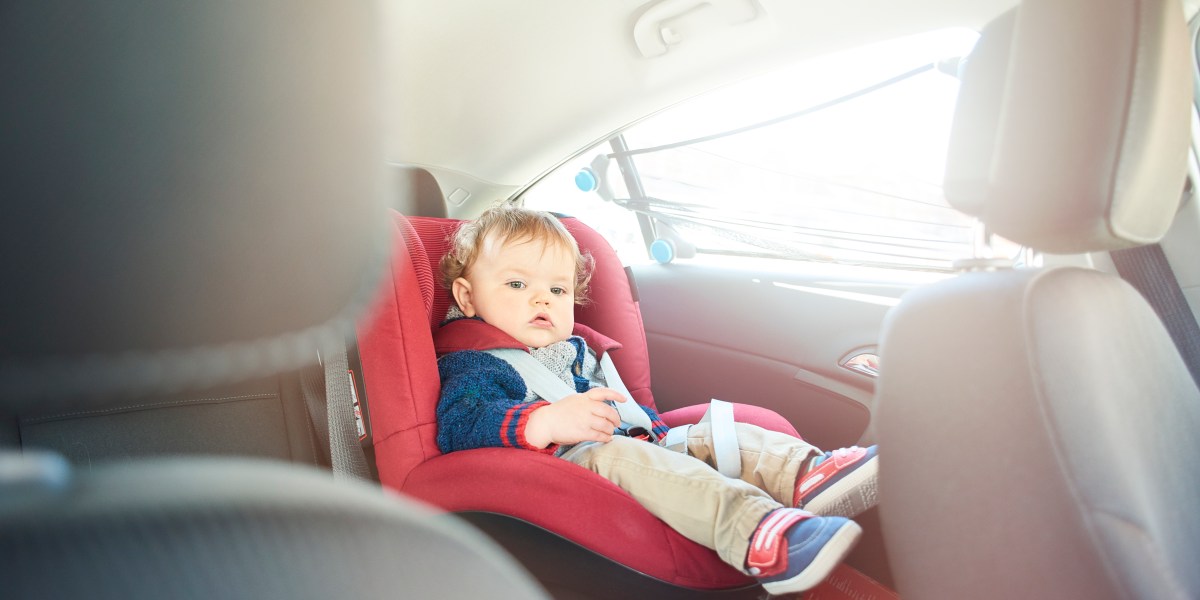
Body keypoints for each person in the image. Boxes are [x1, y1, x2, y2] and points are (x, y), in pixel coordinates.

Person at [434, 205, 879, 595]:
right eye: (516, 284)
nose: (541, 299)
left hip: (629, 440)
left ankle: (807, 474)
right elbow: (461, 422)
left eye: (558, 290)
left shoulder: (575, 349)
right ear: (467, 297)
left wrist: (661, 432)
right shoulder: (478, 362)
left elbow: (619, 406)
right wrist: (544, 422)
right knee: (629, 456)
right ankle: (755, 533)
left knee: (715, 434)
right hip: (568, 465)